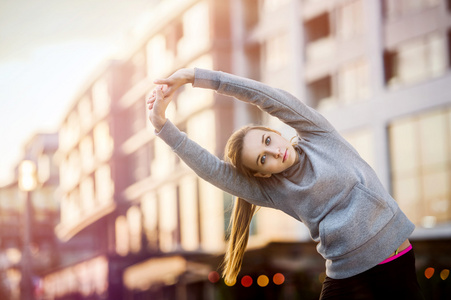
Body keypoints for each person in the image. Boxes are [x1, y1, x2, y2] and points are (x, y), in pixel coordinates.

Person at [147, 68, 424, 299]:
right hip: (346, 273)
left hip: (395, 259)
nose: (274, 153)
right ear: (262, 174)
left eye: (268, 141)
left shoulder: (318, 134)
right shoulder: (273, 191)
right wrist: (162, 125)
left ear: (274, 131)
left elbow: (262, 95)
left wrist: (193, 76)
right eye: (263, 160)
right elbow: (213, 171)